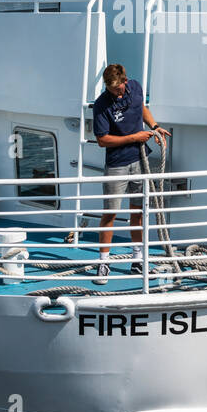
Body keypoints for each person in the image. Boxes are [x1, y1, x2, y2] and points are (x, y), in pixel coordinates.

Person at [89, 64, 169, 284]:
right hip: (117, 165)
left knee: (138, 212)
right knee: (110, 214)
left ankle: (137, 261)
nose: (118, 94)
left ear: (125, 80)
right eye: (113, 91)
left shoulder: (135, 87)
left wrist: (154, 125)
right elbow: (102, 140)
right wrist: (134, 138)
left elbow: (140, 107)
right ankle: (103, 263)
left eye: (119, 89)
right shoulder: (102, 105)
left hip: (139, 160)